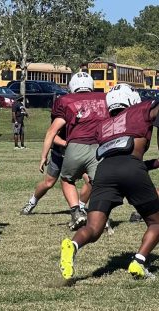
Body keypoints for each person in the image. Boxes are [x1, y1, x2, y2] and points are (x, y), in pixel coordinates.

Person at [60, 84, 159, 281]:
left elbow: (119, 158)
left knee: (93, 228)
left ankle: (72, 246)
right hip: (131, 169)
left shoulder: (103, 126)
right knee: (156, 222)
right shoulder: (142, 109)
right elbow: (130, 161)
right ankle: (139, 262)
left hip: (105, 171)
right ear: (131, 99)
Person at [39, 72, 108, 231]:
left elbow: (51, 132)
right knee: (98, 183)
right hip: (99, 147)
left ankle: (76, 212)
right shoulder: (104, 98)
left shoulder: (65, 101)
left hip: (75, 146)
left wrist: (43, 156)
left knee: (67, 180)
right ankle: (102, 216)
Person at [21, 124, 92, 215]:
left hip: (77, 155)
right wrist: (67, 144)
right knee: (48, 183)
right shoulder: (64, 116)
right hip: (59, 154)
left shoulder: (89, 116)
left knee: (91, 180)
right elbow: (52, 136)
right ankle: (31, 203)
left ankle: (80, 207)